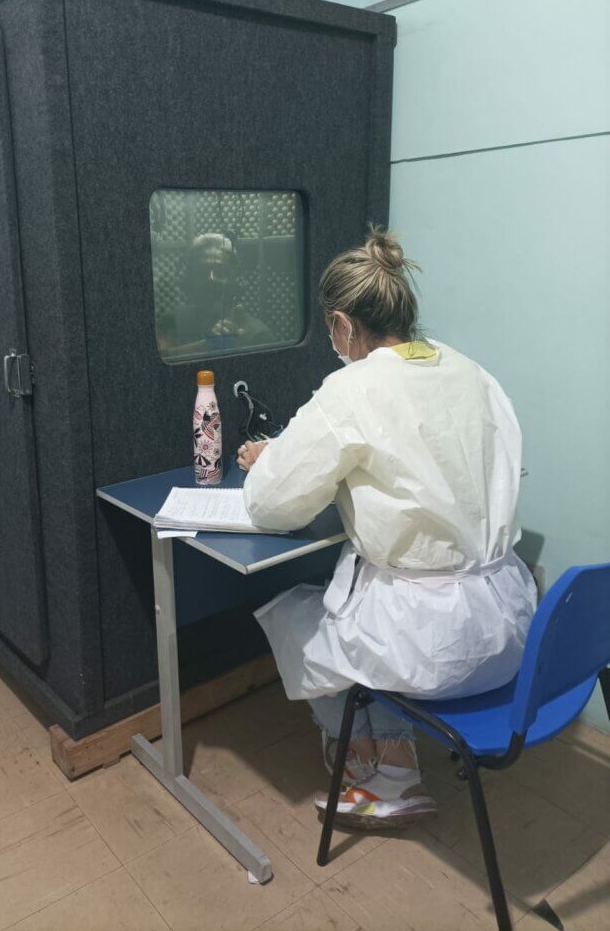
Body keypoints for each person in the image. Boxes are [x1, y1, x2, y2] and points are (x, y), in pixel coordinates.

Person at [237, 225, 537, 827]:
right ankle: (396, 761)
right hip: (507, 627)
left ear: (342, 325)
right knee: (367, 619)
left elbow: (273, 505)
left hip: (427, 643)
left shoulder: (352, 388)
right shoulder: (472, 372)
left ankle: (372, 766)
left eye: (331, 331)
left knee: (295, 616)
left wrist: (270, 460)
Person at [157, 233, 274, 358]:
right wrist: (207, 345)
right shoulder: (170, 321)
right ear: (189, 277)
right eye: (201, 270)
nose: (210, 279)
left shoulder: (257, 335)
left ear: (233, 279)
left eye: (220, 271)